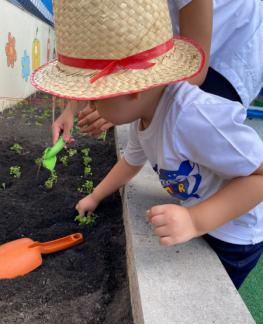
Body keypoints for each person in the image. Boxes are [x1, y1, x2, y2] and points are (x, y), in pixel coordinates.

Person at [31, 0, 263, 290]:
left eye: (96, 97)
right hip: (201, 213)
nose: (90, 106)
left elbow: (259, 177)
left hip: (234, 234)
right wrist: (95, 196)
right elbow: (130, 162)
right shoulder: (145, 115)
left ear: (134, 90)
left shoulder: (194, 116)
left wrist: (195, 220)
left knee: (205, 297)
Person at [51, 0, 263, 142]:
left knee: (199, 138)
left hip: (232, 39)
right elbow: (100, 54)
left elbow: (196, 70)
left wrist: (117, 103)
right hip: (175, 42)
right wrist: (72, 108)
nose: (92, 100)